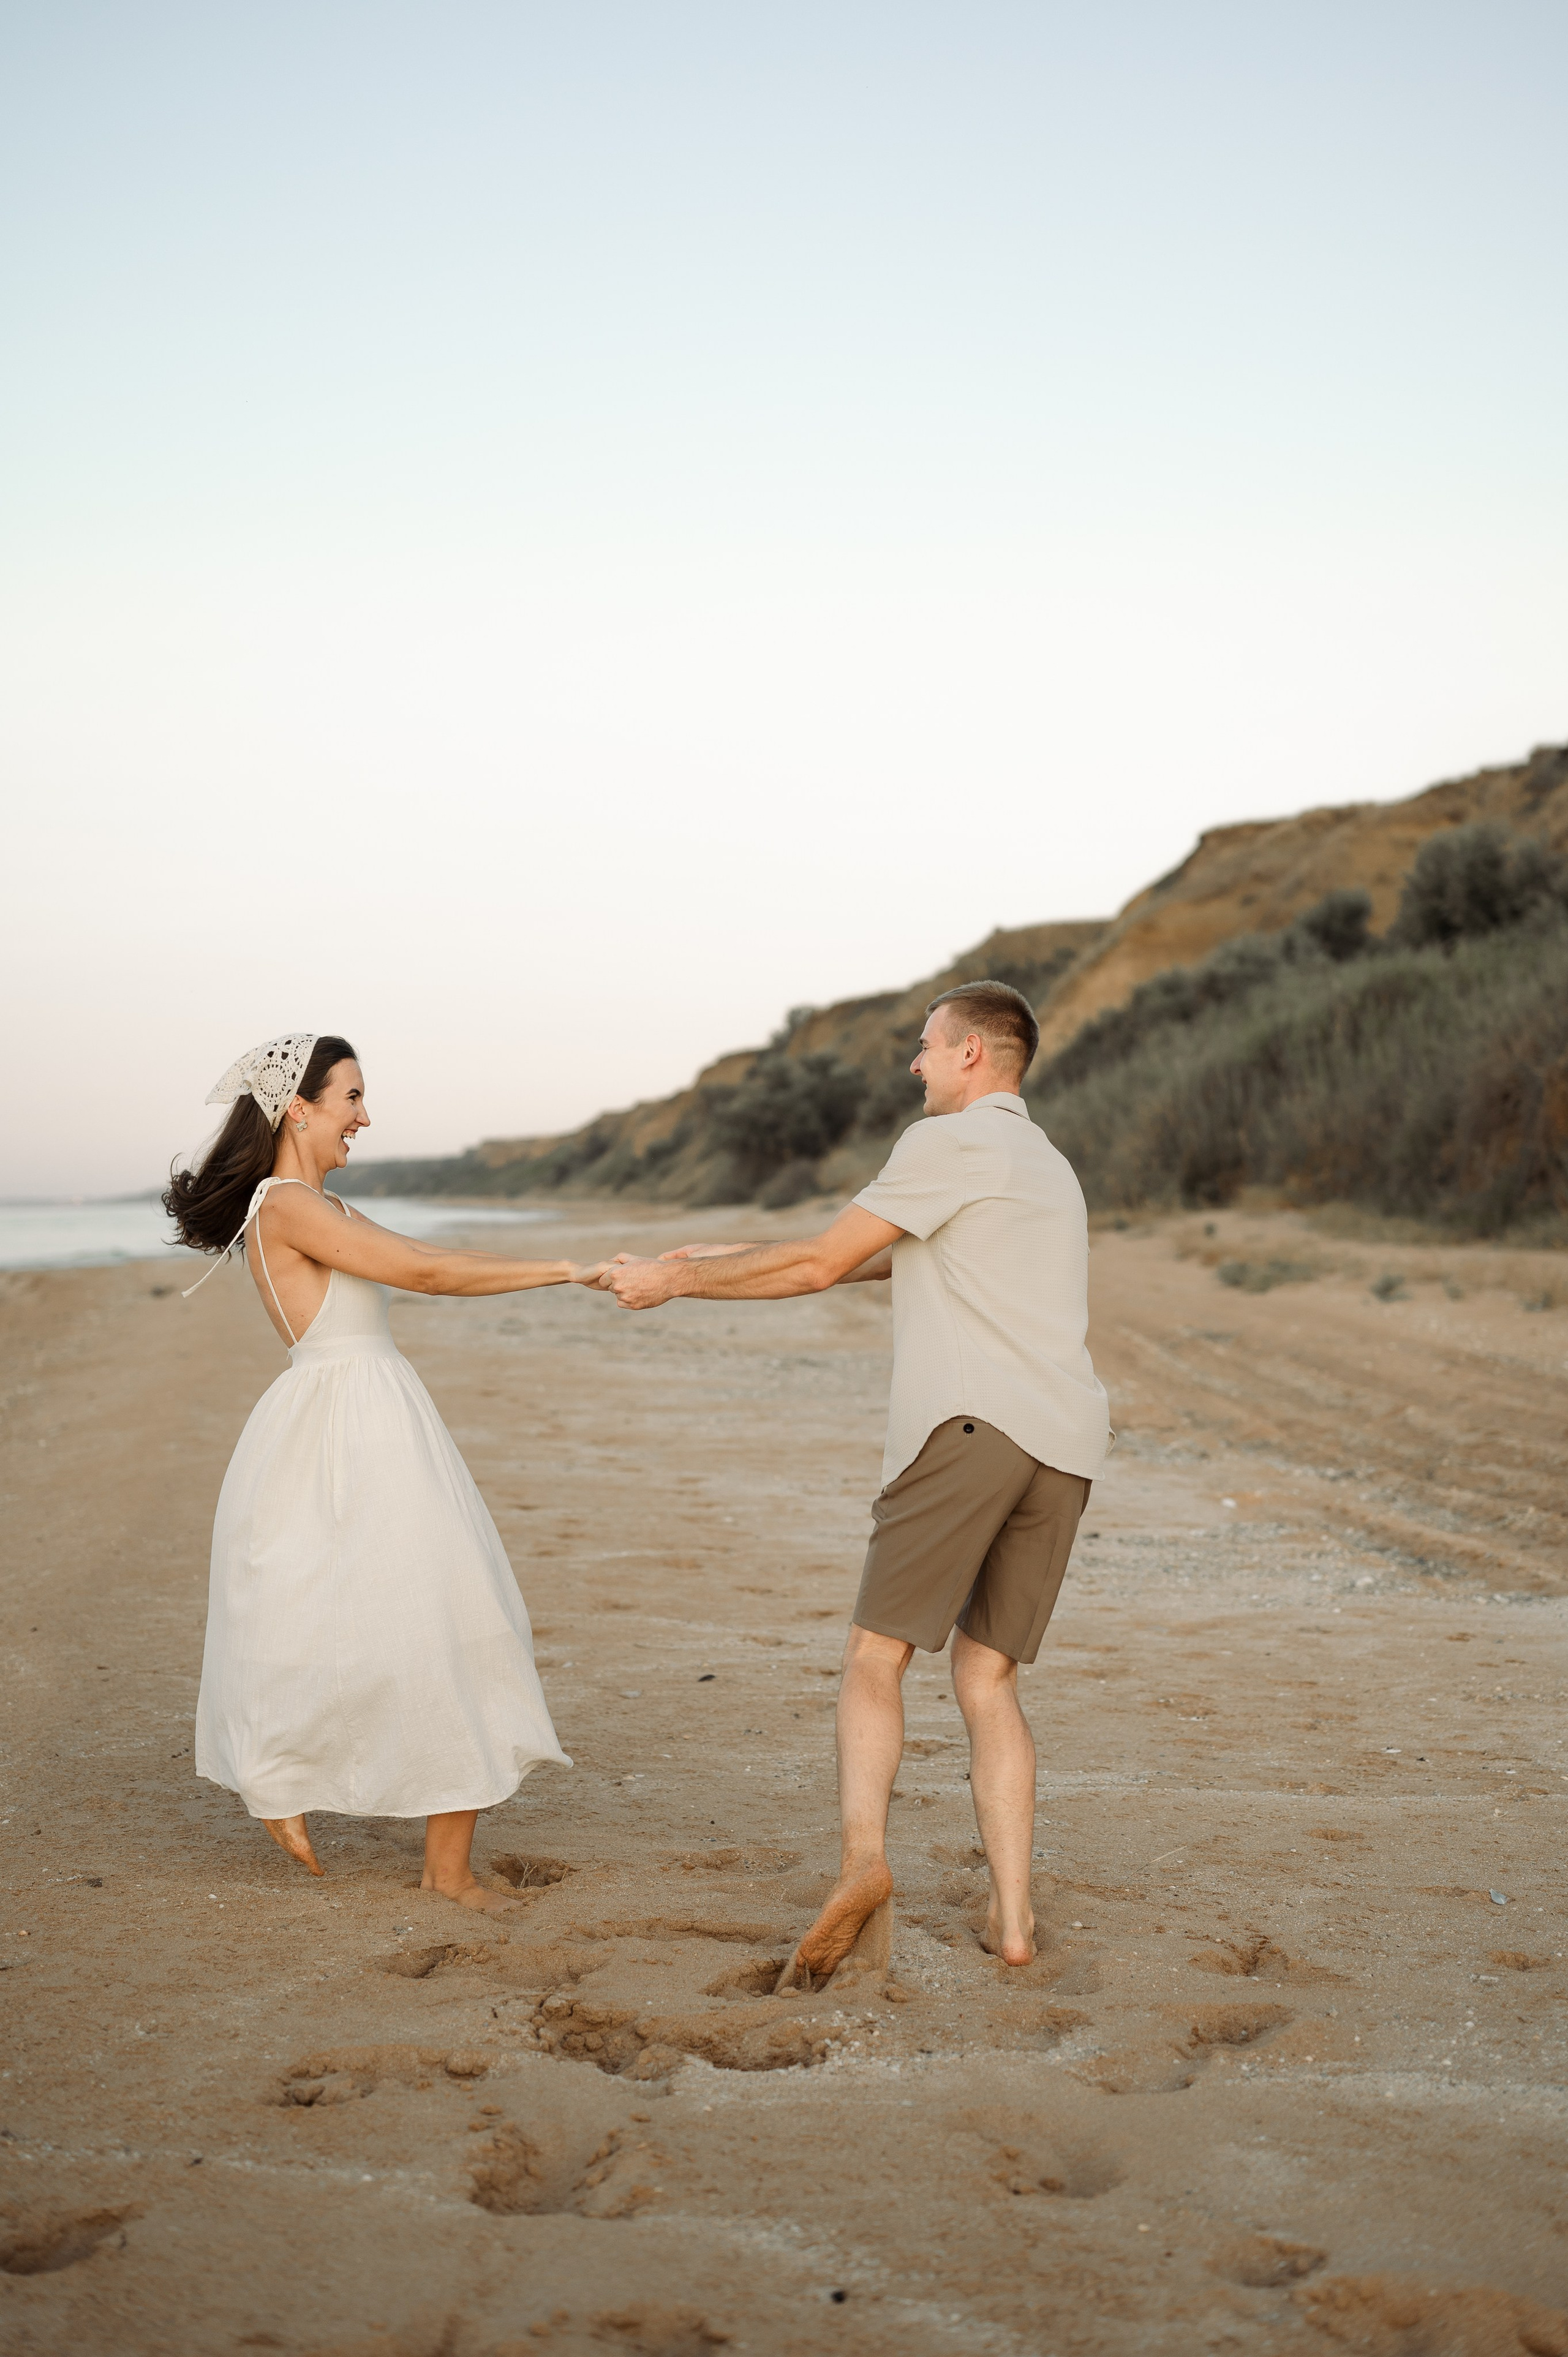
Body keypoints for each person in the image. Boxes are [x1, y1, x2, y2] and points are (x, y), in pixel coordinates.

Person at [604, 981, 1110, 1982]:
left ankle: (863, 1865)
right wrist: (724, 1253)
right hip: (1062, 1447)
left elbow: (818, 1267)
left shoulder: (946, 1143)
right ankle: (1014, 1924)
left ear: (972, 1053)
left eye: (927, 1046)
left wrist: (675, 1281)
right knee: (988, 1679)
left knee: (875, 1657)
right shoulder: (1046, 1165)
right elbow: (892, 1259)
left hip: (971, 1429)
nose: (915, 1063)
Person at [167, 1033, 605, 1912]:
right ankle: (287, 1782)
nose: (365, 1116)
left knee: (448, 1615)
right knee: (407, 1616)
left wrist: (569, 1270)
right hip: (347, 1427)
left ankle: (441, 1863)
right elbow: (429, 1273)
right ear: (299, 1109)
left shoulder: (326, 1207)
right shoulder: (285, 1204)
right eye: (352, 1098)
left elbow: (436, 1259)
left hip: (379, 1415)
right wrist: (568, 1270)